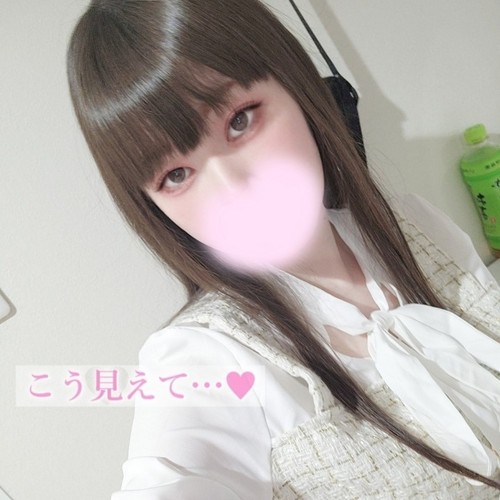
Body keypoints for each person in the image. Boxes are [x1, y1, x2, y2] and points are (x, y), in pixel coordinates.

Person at [66, 0, 500, 498]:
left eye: (239, 121)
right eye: (176, 175)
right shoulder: (206, 357)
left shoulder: (414, 224)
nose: (233, 190)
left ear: (296, 85)